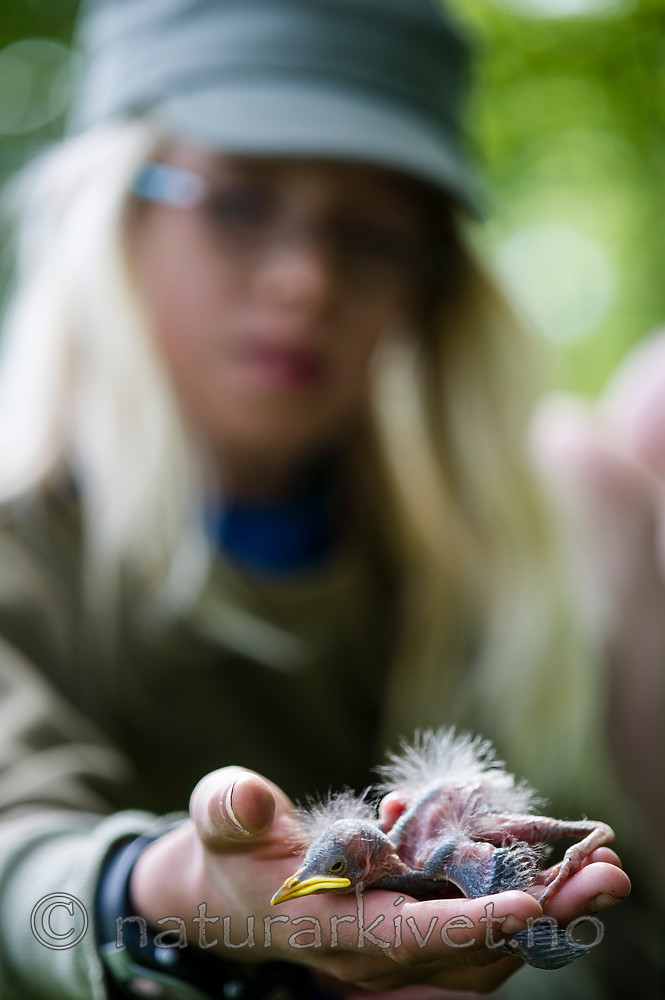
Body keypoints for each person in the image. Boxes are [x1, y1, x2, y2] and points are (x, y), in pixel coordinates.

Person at [0, 1, 629, 998]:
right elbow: (19, 867)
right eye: (240, 203)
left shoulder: (510, 559)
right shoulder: (19, 548)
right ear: (113, 209)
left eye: (373, 233)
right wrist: (163, 896)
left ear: (430, 282)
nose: (304, 279)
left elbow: (613, 907)